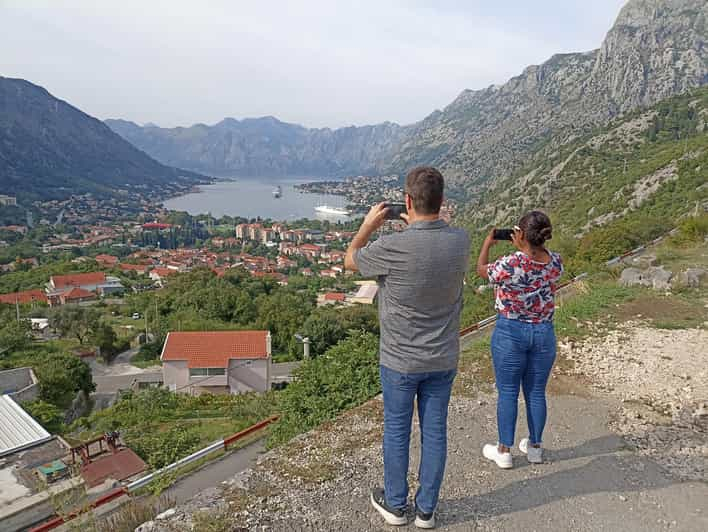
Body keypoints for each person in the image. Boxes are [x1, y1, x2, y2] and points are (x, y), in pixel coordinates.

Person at [344, 166, 470, 529]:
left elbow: (349, 260)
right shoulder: (460, 241)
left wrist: (369, 225)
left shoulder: (392, 247)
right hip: (443, 357)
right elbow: (431, 252)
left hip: (400, 361)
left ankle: (396, 505)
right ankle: (427, 509)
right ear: (443, 202)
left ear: (407, 201)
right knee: (435, 431)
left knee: (397, 430)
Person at [476, 211, 563, 468]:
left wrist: (487, 244)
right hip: (543, 333)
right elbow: (539, 264)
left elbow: (482, 271)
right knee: (536, 392)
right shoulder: (556, 262)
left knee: (508, 392)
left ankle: (504, 451)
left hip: (511, 332)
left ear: (521, 235)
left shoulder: (511, 263)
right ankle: (535, 448)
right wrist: (525, 246)